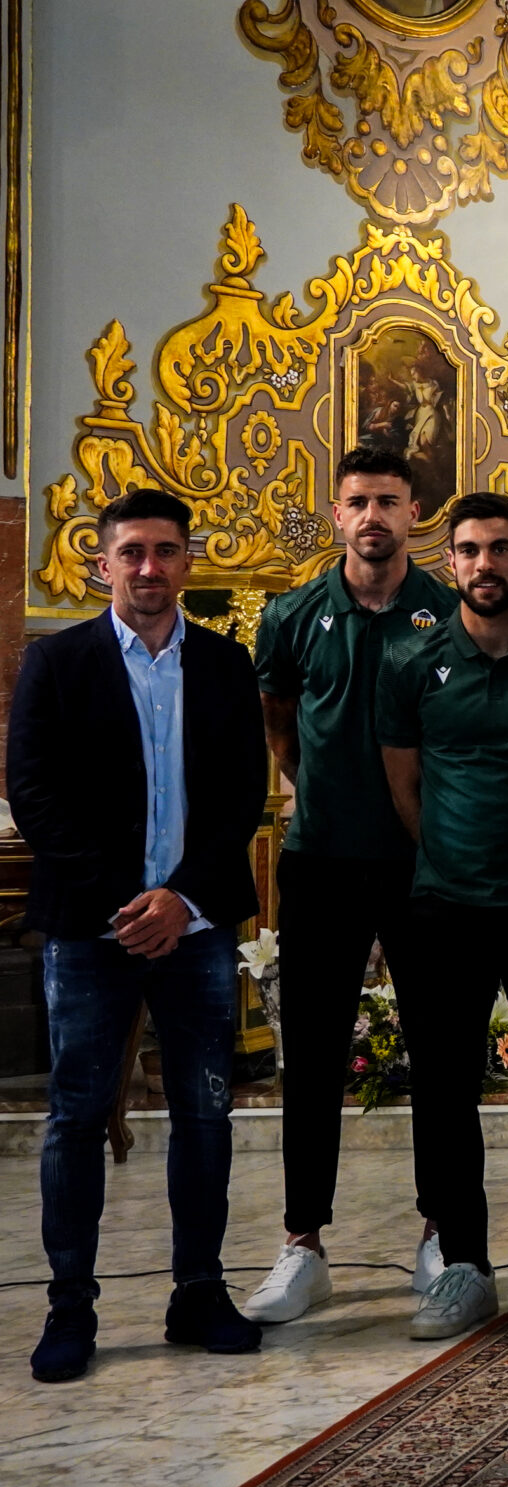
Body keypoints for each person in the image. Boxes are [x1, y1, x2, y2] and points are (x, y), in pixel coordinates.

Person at [11, 490, 267, 1382]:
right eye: (132, 552)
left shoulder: (226, 663)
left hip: (195, 925)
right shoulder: (57, 661)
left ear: (187, 560)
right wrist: (130, 900)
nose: (149, 567)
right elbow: (34, 791)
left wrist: (181, 898)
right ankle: (70, 1306)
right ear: (103, 564)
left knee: (205, 1110)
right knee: (77, 1115)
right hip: (93, 926)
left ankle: (199, 1288)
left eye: (165, 550)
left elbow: (242, 791)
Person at [241, 448, 460, 1325]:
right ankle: (303, 1243)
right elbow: (280, 728)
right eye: (359, 501)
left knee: (441, 1050)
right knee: (311, 1056)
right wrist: (330, 791)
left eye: (389, 502)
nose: (374, 516)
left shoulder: (447, 610)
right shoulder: (291, 615)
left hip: (422, 863)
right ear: (337, 513)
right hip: (322, 860)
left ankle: (442, 1230)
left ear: (415, 514)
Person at [374, 493, 508, 1340]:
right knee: (443, 1086)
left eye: (500, 547)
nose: (484, 563)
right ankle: (463, 1262)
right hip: (444, 907)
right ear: (451, 561)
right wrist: (450, 857)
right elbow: (405, 784)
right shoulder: (412, 659)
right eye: (469, 549)